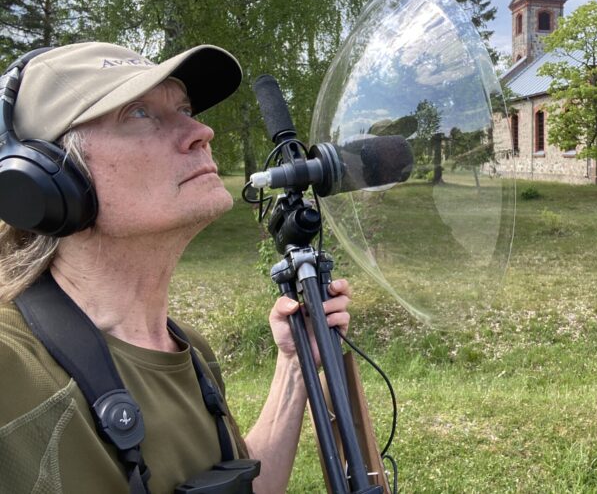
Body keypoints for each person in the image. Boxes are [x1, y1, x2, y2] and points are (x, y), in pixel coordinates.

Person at [0, 41, 351, 493]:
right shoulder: (12, 366)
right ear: (48, 179)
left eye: (185, 108)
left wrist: (296, 368)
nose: (201, 130)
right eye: (139, 113)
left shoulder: (190, 352)